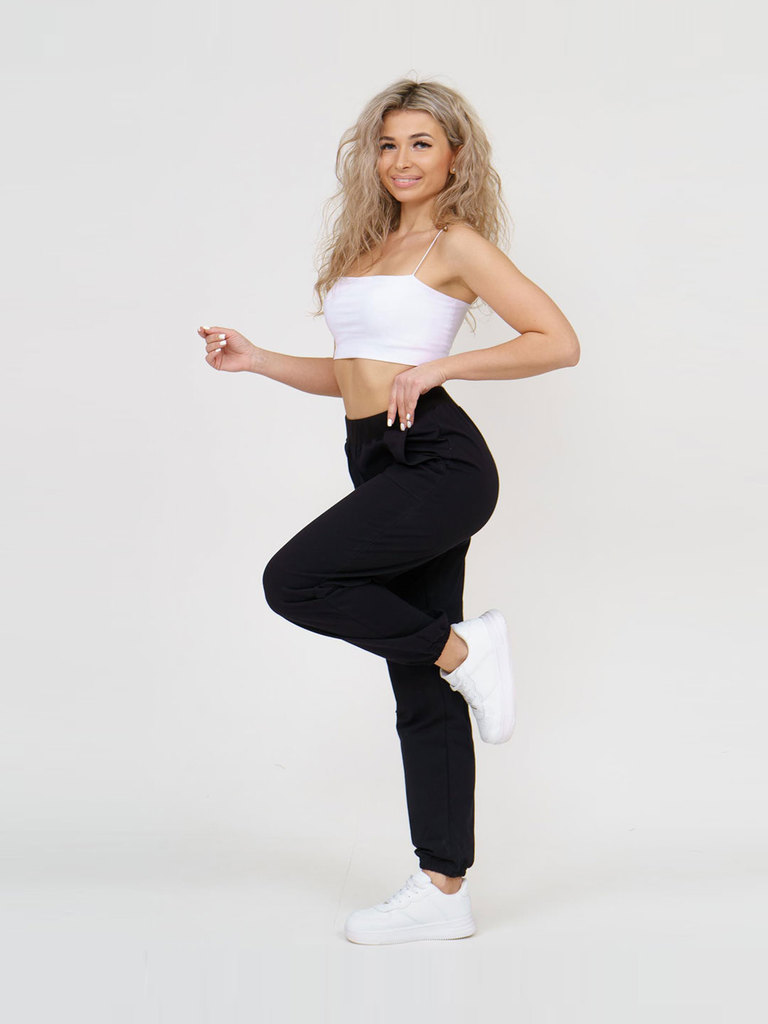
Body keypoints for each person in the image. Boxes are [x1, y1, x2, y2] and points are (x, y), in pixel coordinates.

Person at [197, 77, 579, 945]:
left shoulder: (455, 242)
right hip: (375, 454)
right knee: (420, 680)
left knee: (295, 580)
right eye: (388, 144)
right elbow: (355, 374)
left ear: (454, 157)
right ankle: (444, 889)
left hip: (438, 457)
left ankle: (466, 648)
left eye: (421, 144)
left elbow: (557, 342)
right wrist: (260, 360)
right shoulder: (369, 248)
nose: (401, 160)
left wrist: (443, 368)